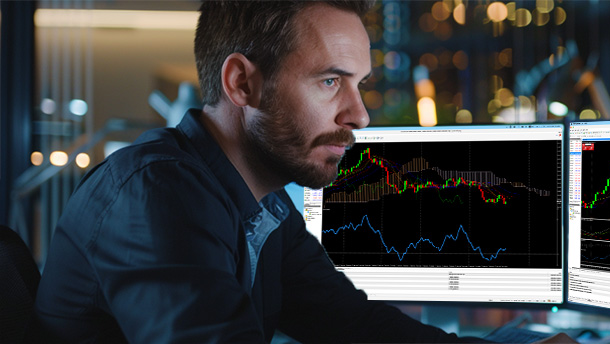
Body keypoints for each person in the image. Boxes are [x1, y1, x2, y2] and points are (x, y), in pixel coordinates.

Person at [34, 1, 486, 342]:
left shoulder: (265, 205)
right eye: (330, 81)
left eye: (359, 84)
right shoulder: (156, 193)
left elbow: (355, 325)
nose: (360, 115)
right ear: (242, 83)